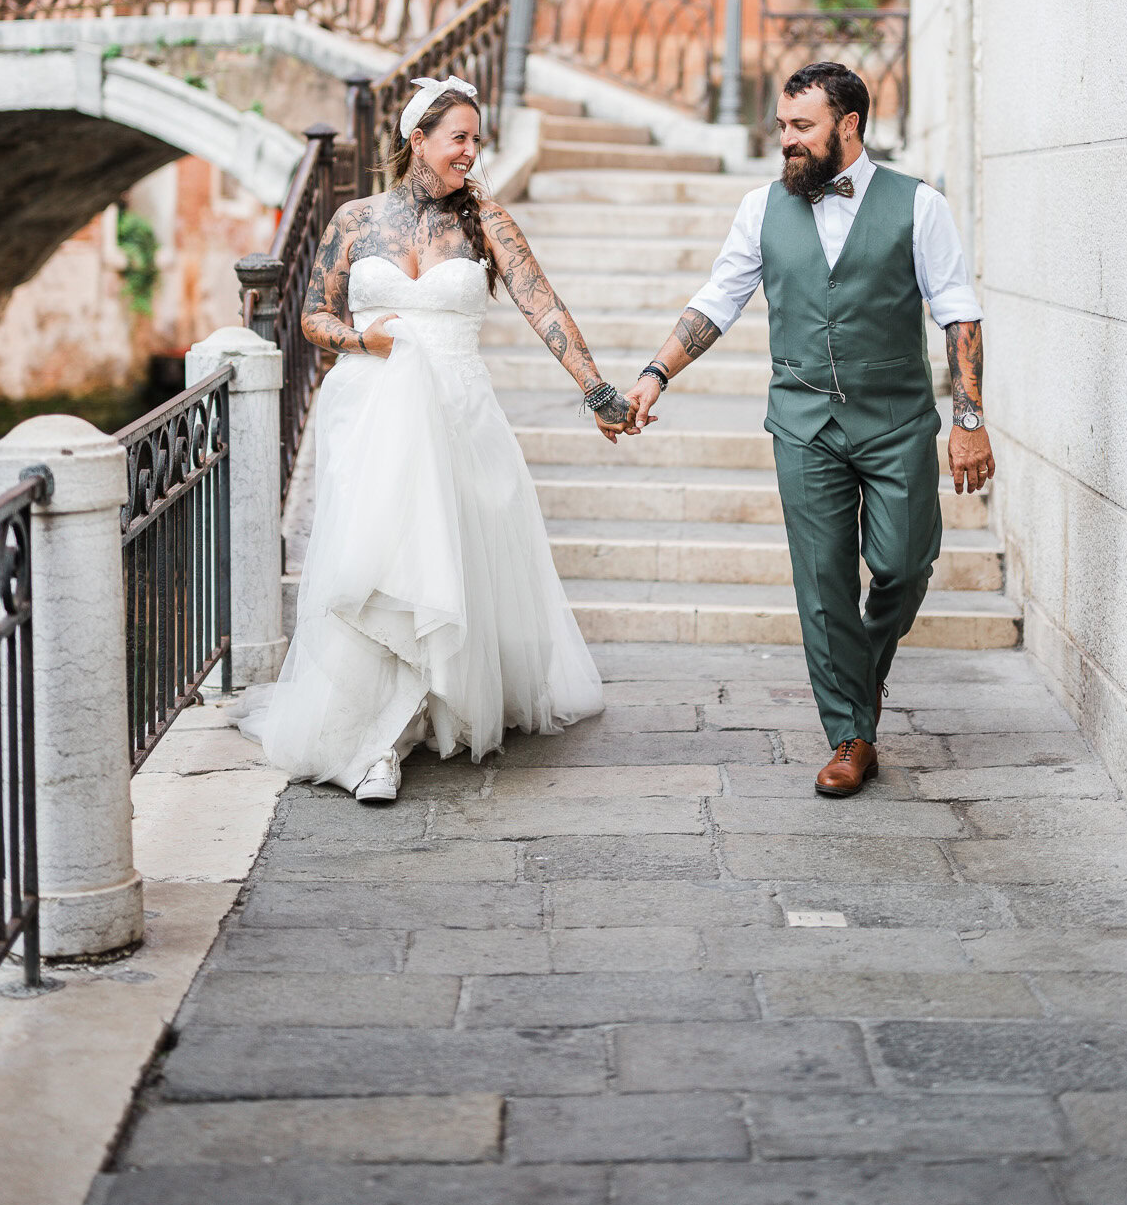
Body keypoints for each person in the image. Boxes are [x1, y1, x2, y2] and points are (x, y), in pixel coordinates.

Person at [236, 75, 629, 803]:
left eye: (476, 141)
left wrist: (597, 389)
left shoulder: (487, 221)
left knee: (447, 565)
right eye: (461, 139)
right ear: (418, 141)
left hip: (459, 413)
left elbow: (543, 304)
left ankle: (431, 708)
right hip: (370, 413)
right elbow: (313, 319)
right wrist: (364, 338)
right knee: (377, 565)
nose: (471, 155)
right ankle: (371, 742)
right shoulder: (354, 221)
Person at [624, 62, 992, 797]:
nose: (785, 141)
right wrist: (655, 373)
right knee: (822, 585)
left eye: (802, 127)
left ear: (848, 126)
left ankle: (861, 674)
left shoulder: (920, 206)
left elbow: (958, 311)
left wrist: (970, 421)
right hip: (803, 422)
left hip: (894, 420)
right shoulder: (762, 208)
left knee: (903, 564)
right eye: (782, 127)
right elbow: (717, 301)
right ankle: (851, 733)